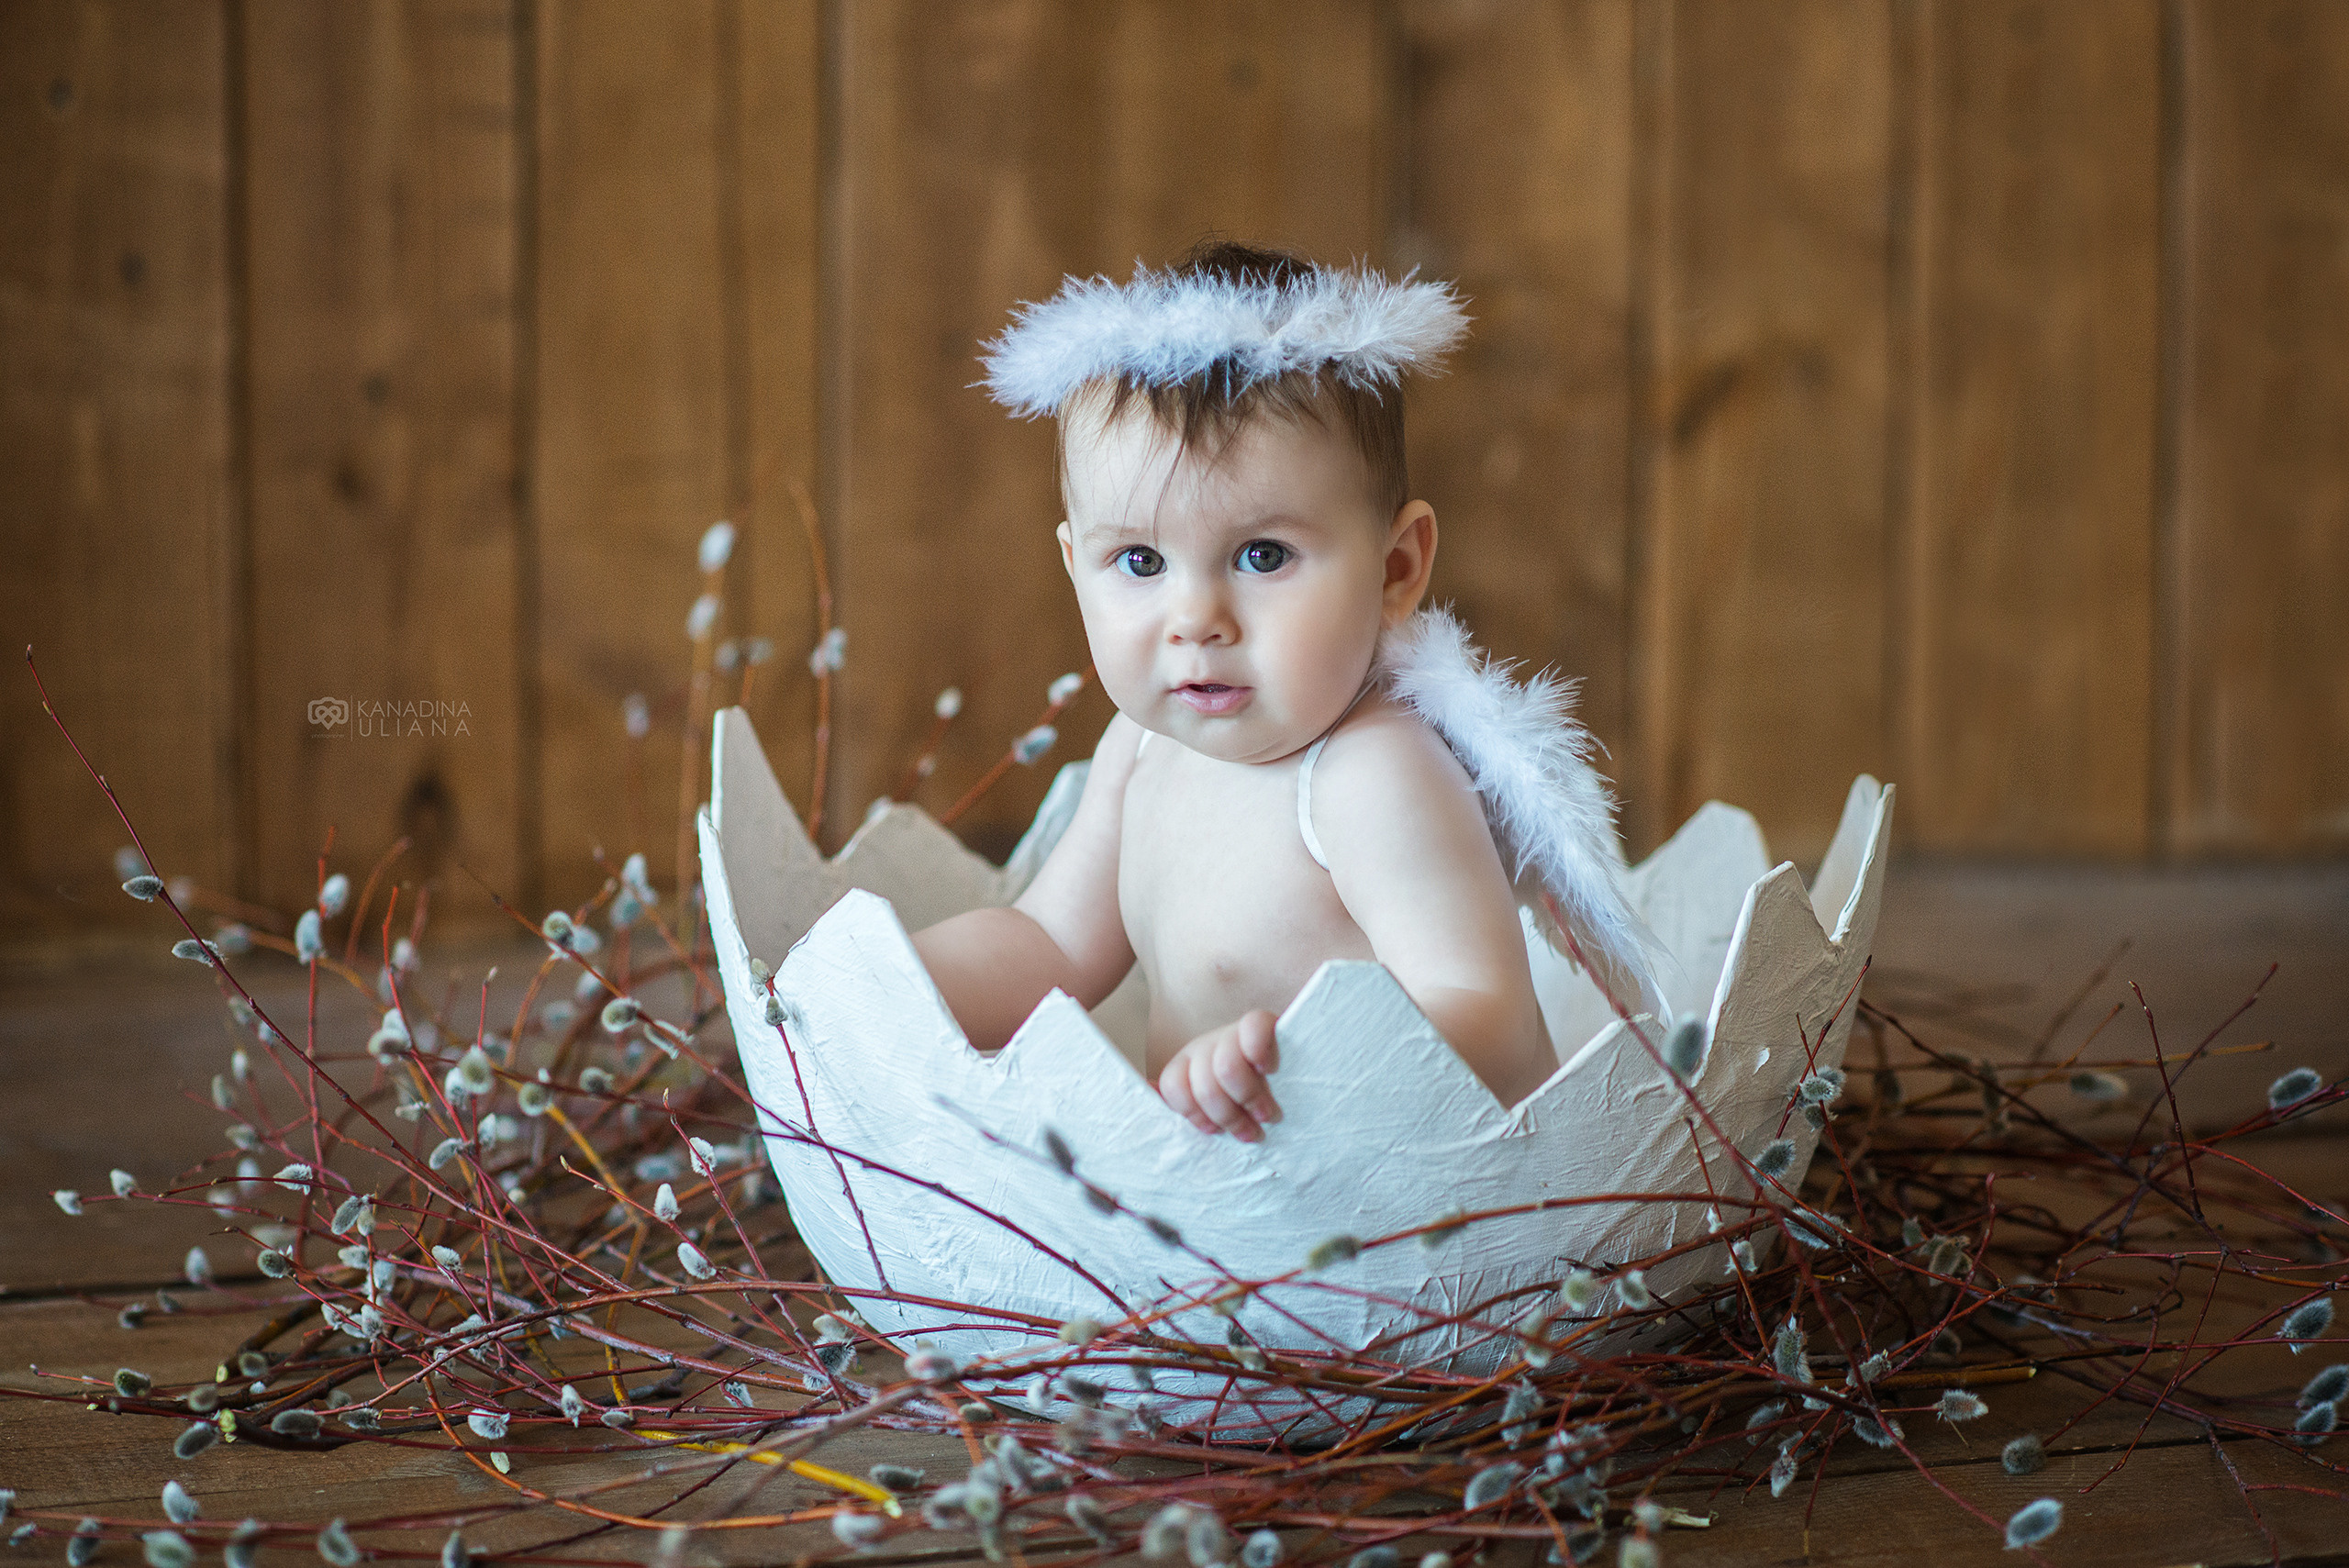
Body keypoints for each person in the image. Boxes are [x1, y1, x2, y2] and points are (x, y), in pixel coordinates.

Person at [911, 239, 1657, 1142]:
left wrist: (1301, 1066)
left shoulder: (1370, 773)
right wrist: (895, 982)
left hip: (1405, 1223)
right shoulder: (1140, 749)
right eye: (1139, 561)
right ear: (1075, 565)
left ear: (1395, 566)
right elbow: (1051, 947)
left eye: (1263, 555)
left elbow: (1486, 1018)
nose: (1196, 616)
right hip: (1227, 1242)